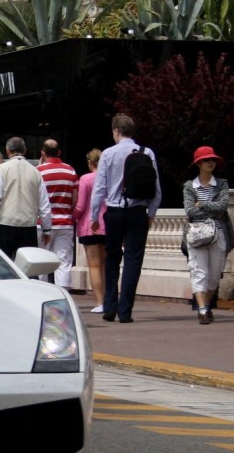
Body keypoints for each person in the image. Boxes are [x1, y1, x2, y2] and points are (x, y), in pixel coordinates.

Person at [89, 114, 161, 323]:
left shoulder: (109, 154)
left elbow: (99, 188)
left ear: (116, 131)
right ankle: (126, 310)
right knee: (133, 260)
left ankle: (109, 306)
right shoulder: (147, 152)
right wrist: (151, 213)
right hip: (138, 211)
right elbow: (156, 190)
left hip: (115, 211)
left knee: (112, 258)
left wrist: (94, 216)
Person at [182, 147, 234, 325]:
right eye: (206, 160)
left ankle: (205, 305)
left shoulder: (221, 184)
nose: (210, 163)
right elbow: (189, 210)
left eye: (212, 160)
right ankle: (203, 310)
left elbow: (223, 206)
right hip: (196, 233)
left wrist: (202, 204)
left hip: (218, 232)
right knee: (199, 272)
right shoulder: (190, 186)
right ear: (198, 164)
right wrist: (208, 206)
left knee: (214, 275)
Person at [0, 136, 53, 259]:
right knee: (28, 267)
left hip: (4, 225)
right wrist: (47, 229)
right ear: (25, 150)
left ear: (7, 151)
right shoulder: (35, 172)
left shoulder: (0, 170)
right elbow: (44, 204)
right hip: (28, 226)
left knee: (4, 266)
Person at [38, 139, 79, 288]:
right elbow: (74, 200)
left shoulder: (39, 171)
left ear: (43, 153)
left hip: (42, 223)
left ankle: (40, 295)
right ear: (59, 153)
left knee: (41, 262)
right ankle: (63, 294)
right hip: (65, 223)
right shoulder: (70, 170)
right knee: (64, 261)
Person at [74, 148, 106, 313]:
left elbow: (80, 205)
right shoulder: (109, 178)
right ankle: (109, 299)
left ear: (90, 163)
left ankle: (100, 302)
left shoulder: (85, 179)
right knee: (105, 264)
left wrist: (73, 216)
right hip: (108, 224)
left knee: (94, 265)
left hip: (89, 225)